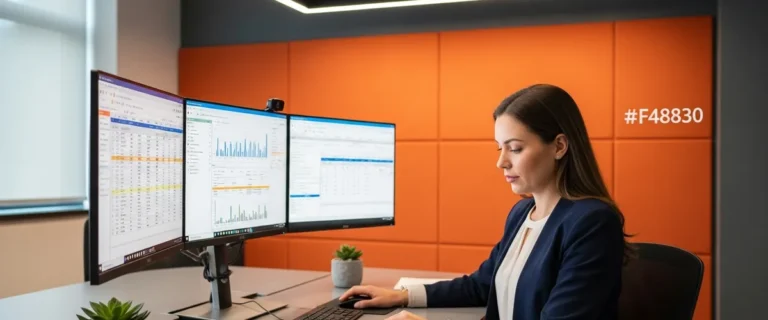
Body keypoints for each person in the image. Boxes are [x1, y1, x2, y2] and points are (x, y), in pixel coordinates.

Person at [338, 84, 633, 320]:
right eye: (499, 148)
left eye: (515, 148)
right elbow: (482, 284)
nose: (501, 162)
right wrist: (403, 295)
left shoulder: (591, 222)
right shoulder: (522, 213)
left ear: (558, 146)